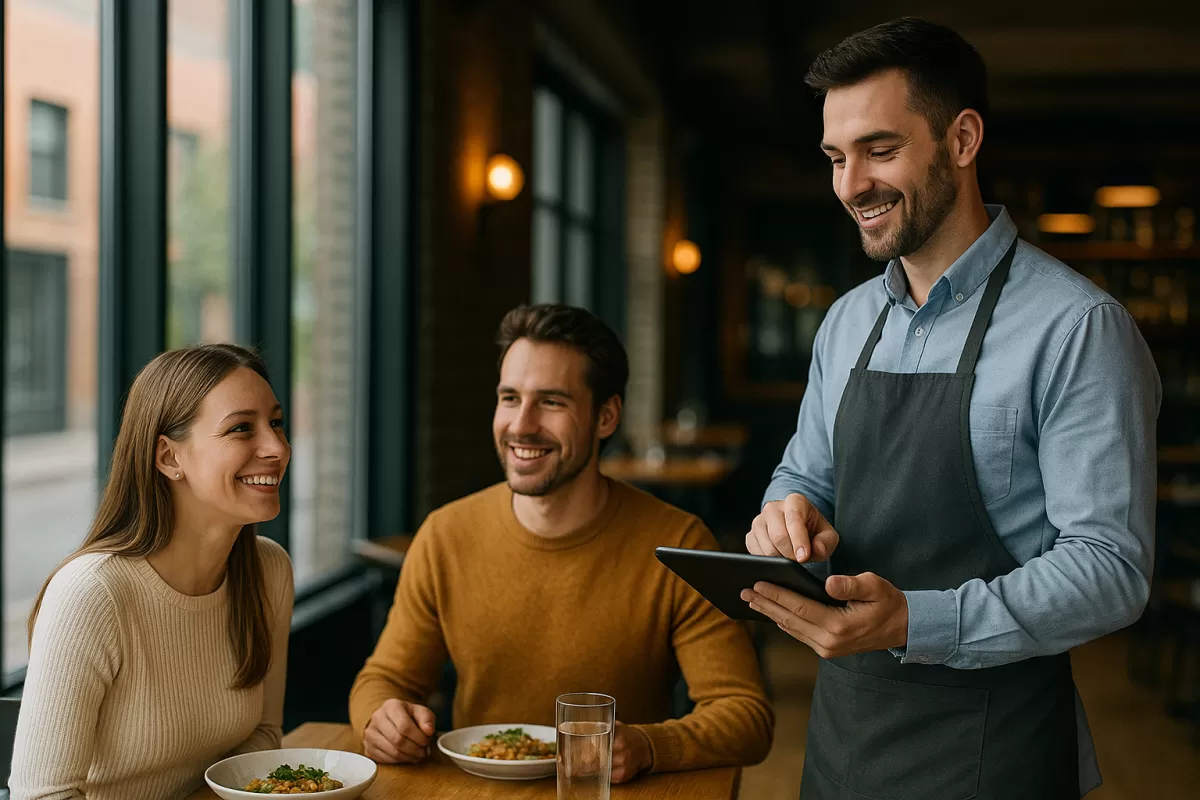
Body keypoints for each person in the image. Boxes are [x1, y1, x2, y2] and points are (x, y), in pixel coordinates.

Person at [740, 17, 1159, 800]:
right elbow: (804, 475)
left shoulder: (1076, 328)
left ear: (962, 139)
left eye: (880, 150)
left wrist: (913, 621)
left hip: (996, 751)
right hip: (842, 743)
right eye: (836, 157)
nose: (850, 185)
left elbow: (1111, 570)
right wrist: (784, 518)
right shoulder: (847, 322)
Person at [350, 304, 773, 783]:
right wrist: (381, 720)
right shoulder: (444, 535)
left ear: (606, 416)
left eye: (551, 402)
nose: (522, 425)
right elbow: (384, 679)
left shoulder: (677, 542)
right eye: (510, 398)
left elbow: (746, 717)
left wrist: (647, 745)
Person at [10, 344, 295, 800]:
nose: (277, 448)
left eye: (276, 423)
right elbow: (42, 795)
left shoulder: (269, 571)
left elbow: (262, 736)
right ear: (168, 458)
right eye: (241, 428)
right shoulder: (91, 594)